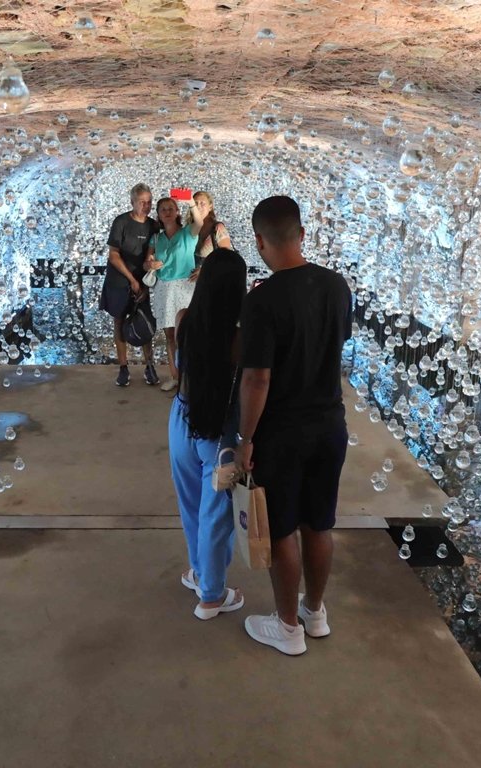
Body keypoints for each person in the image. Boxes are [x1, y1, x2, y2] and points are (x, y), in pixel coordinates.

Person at [235, 196, 353, 656]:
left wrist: (245, 439)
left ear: (260, 240)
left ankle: (286, 628)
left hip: (282, 431)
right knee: (319, 524)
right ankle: (315, 611)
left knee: (282, 528)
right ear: (302, 234)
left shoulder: (261, 300)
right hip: (330, 424)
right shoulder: (336, 286)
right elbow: (336, 342)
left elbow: (257, 377)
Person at [170, 248, 248, 620]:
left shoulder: (185, 319)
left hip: (181, 417)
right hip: (218, 431)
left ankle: (198, 571)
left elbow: (177, 372)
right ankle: (212, 596)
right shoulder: (241, 337)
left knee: (190, 504)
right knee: (216, 514)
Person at [99, 183, 160, 388]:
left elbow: (157, 251)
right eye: (142, 202)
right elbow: (113, 255)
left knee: (144, 323)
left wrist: (145, 279)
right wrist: (132, 280)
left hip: (142, 281)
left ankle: (149, 365)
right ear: (132, 202)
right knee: (119, 321)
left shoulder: (153, 225)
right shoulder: (121, 222)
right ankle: (123, 367)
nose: (146, 205)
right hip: (119, 280)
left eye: (149, 202)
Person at [144, 197, 203, 391]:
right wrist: (150, 264)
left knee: (187, 333)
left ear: (178, 211)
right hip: (164, 287)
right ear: (159, 215)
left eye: (171, 209)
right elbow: (147, 262)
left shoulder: (187, 233)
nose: (167, 212)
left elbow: (199, 222)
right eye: (163, 210)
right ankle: (175, 376)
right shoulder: (156, 238)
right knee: (169, 334)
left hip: (185, 287)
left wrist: (191, 202)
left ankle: (192, 376)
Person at [189, 191, 233, 278]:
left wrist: (204, 270)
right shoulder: (189, 228)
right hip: (188, 283)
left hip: (210, 281)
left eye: (202, 203)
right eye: (195, 203)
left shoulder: (218, 228)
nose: (198, 206)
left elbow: (227, 258)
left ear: (210, 207)